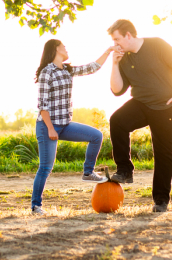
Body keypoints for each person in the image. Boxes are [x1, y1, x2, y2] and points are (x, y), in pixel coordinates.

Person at [107, 19, 172, 213]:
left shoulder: (156, 45)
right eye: (113, 40)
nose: (115, 44)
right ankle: (125, 170)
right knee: (117, 121)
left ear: (129, 35)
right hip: (142, 104)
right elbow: (117, 89)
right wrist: (115, 64)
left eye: (117, 39)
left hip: (166, 108)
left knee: (162, 153)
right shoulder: (124, 58)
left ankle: (161, 200)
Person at [31, 39, 117, 215]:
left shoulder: (68, 70)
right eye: (63, 46)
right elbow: (42, 105)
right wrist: (50, 128)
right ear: (55, 49)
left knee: (96, 136)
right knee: (45, 167)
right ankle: (36, 205)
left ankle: (88, 172)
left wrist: (109, 51)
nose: (66, 49)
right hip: (47, 125)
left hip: (65, 124)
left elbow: (92, 67)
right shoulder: (46, 72)